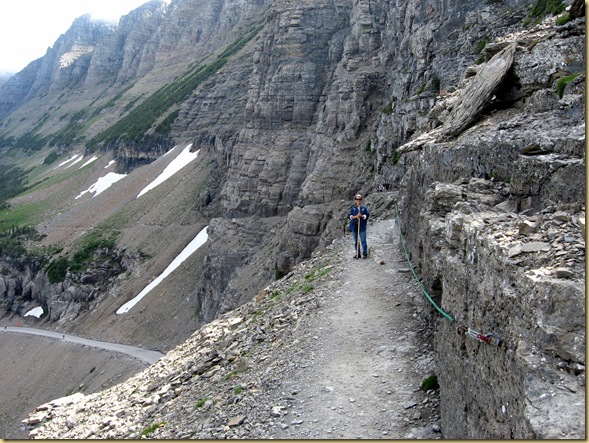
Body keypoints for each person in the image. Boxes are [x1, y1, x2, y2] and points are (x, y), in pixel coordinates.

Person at [348, 194, 370, 258]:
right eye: (357, 199)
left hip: (362, 227)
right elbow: (350, 216)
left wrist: (362, 216)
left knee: (363, 240)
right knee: (356, 241)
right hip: (355, 227)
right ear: (355, 200)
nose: (358, 200)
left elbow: (367, 215)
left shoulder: (364, 208)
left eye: (359, 199)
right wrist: (356, 216)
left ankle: (365, 253)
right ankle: (358, 253)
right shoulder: (353, 209)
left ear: (361, 200)